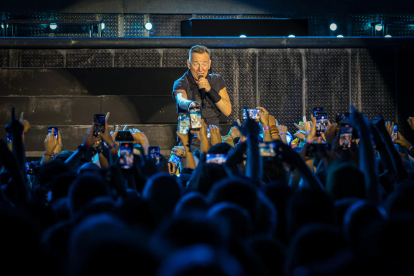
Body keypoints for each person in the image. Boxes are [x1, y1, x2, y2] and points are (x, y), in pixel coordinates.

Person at [172, 45, 232, 127]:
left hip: (212, 133)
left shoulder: (217, 79)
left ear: (209, 64)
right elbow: (180, 99)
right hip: (190, 132)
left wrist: (210, 90)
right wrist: (191, 104)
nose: (200, 69)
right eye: (196, 64)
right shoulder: (181, 82)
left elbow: (227, 111)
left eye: (204, 64)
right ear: (189, 64)